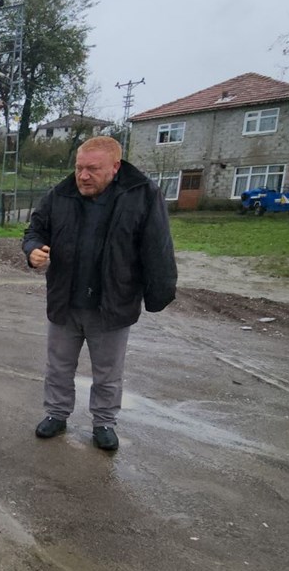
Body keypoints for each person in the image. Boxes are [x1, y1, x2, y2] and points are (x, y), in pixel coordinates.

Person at [21, 136, 177, 451]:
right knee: (58, 366)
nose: (83, 176)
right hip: (65, 300)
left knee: (108, 372)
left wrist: (158, 294)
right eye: (79, 168)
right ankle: (56, 414)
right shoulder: (60, 194)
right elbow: (35, 230)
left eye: (93, 169)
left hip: (113, 303)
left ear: (115, 167)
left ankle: (104, 423)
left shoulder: (142, 195)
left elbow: (157, 246)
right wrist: (33, 250)